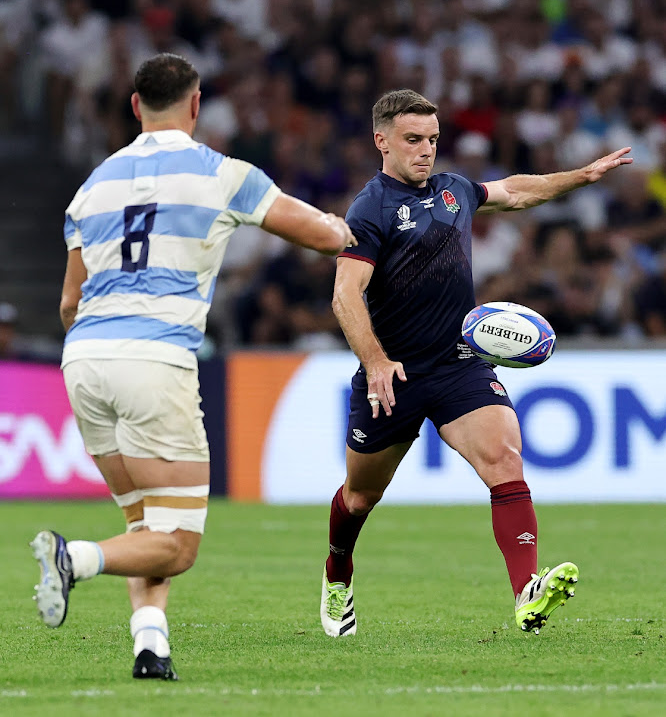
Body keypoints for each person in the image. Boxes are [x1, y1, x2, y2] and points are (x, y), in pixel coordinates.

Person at [29, 52, 355, 680]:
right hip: (154, 361)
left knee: (145, 525)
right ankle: (74, 558)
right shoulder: (222, 173)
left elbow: (69, 300)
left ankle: (150, 646)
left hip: (85, 360)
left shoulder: (92, 184)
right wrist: (352, 229)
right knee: (177, 546)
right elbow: (320, 235)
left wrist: (98, 348)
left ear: (134, 107)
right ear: (197, 104)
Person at [320, 89, 632, 637]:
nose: (426, 150)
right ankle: (337, 571)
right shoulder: (370, 209)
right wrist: (374, 362)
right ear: (382, 141)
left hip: (459, 364)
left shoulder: (454, 190)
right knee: (360, 496)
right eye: (413, 140)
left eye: (433, 140)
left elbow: (513, 191)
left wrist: (579, 177)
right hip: (394, 374)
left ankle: (527, 592)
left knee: (505, 461)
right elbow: (346, 295)